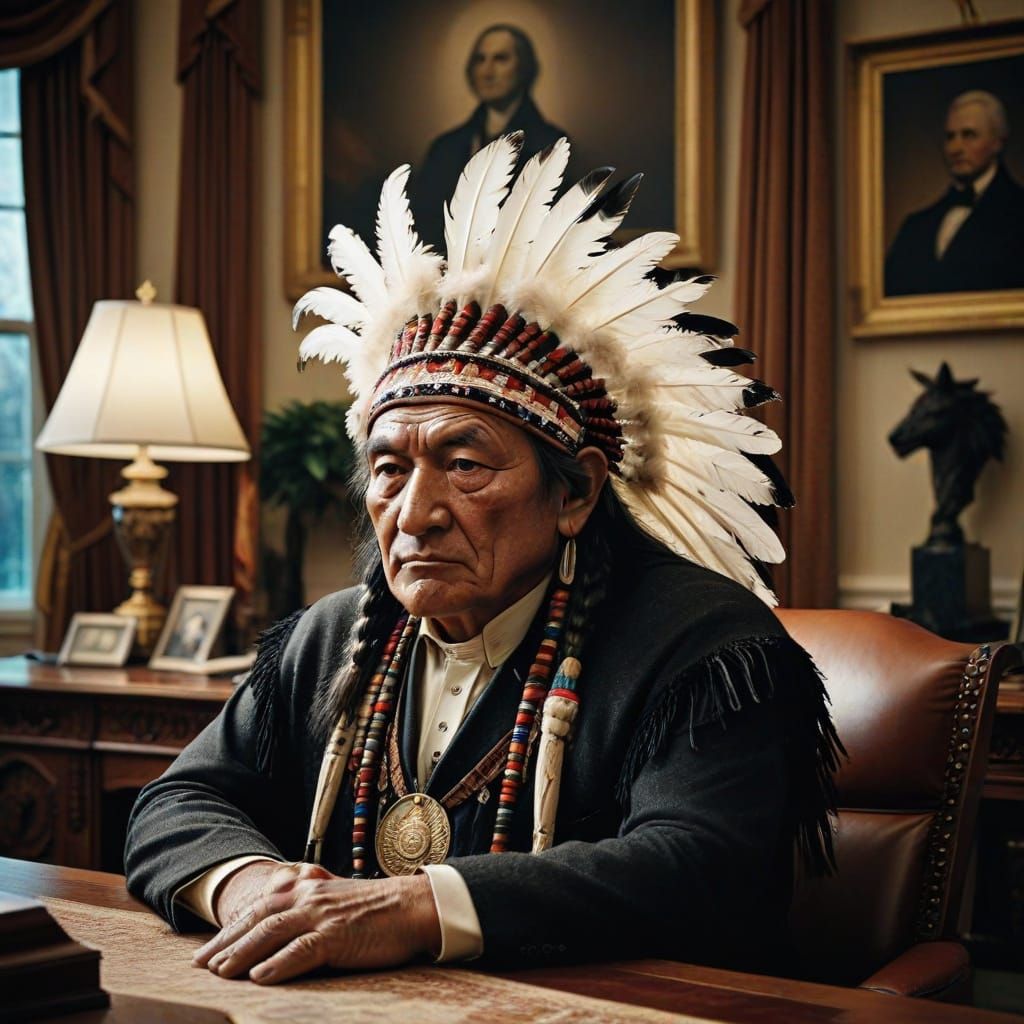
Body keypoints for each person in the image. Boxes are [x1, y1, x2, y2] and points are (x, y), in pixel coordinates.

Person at [125, 135, 842, 986]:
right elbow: (176, 801)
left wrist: (417, 907)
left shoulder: (704, 647)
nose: (415, 513)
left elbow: (699, 864)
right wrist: (253, 885)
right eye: (389, 469)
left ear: (575, 492)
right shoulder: (334, 639)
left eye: (464, 465)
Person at [411, 24, 568, 249]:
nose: (487, 71)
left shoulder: (551, 144)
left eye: (501, 59)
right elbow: (423, 222)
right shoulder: (445, 147)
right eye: (480, 59)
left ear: (524, 69)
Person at [885, 90, 1024, 296]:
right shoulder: (914, 228)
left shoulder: (1019, 214)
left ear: (997, 143)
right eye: (950, 137)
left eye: (969, 135)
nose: (955, 148)